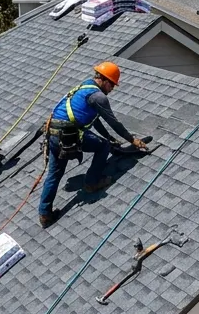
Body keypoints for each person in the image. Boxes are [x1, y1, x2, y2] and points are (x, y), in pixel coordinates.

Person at [38, 62, 145, 227]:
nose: (112, 89)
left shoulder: (85, 86)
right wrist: (132, 140)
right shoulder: (98, 97)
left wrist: (109, 137)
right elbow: (113, 122)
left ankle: (45, 214)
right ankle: (91, 183)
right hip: (67, 135)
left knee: (55, 173)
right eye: (112, 85)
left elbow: (94, 120)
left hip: (53, 132)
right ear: (105, 80)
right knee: (103, 147)